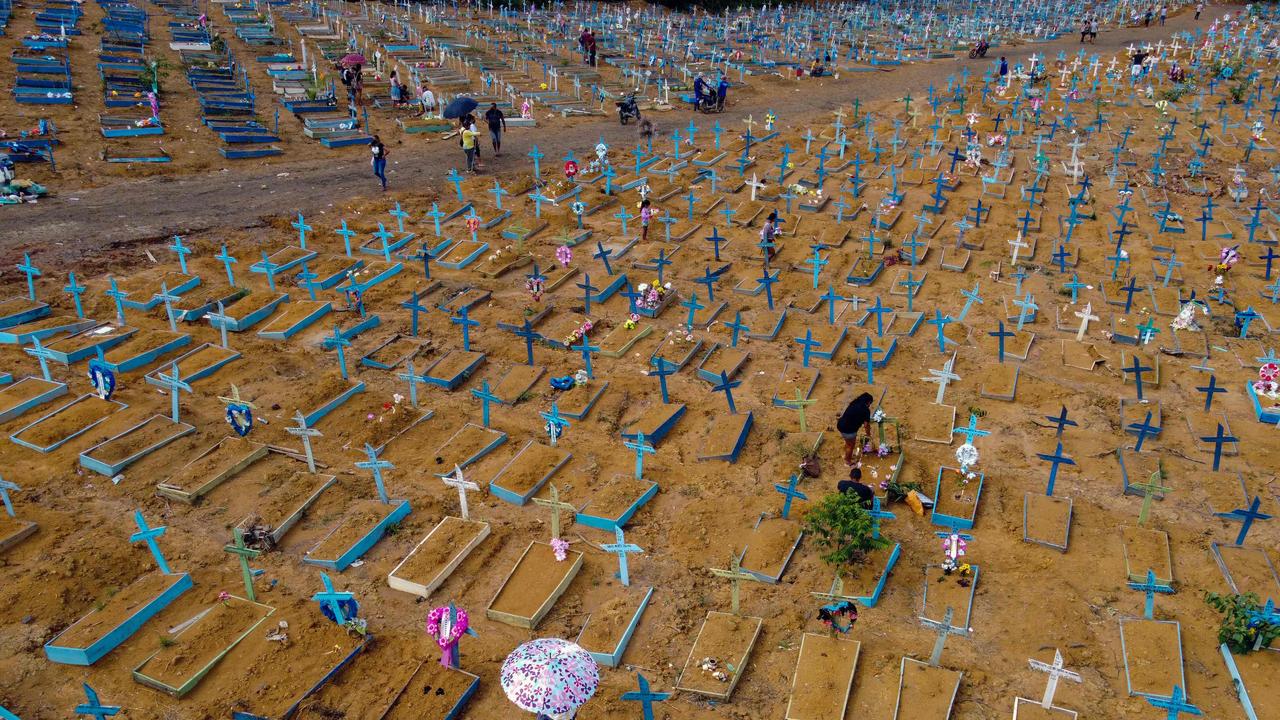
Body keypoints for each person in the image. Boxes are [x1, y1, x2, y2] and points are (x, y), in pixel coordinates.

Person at [837, 392, 875, 466]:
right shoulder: (866, 410)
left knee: (848, 443)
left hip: (840, 425)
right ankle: (847, 461)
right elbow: (866, 425)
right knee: (851, 446)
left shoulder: (854, 403)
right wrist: (868, 434)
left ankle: (846, 455)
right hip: (849, 430)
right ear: (868, 402)